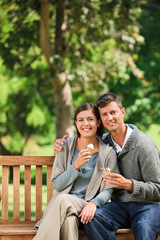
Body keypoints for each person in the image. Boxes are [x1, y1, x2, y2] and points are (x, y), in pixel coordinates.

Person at [54, 93, 160, 240]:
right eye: (104, 114)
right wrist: (62, 144)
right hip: (120, 206)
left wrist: (129, 185)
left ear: (122, 112)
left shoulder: (145, 146)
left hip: (148, 206)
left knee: (144, 228)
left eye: (113, 112)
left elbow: (158, 189)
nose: (109, 118)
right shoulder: (104, 143)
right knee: (92, 218)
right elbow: (82, 138)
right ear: (100, 119)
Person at [33, 103, 119, 240]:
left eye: (90, 119)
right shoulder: (64, 146)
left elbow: (109, 189)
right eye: (81, 120)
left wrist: (93, 203)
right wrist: (76, 166)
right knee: (68, 221)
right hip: (64, 208)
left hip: (86, 206)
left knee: (62, 200)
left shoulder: (108, 153)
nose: (86, 124)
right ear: (76, 123)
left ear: (98, 122)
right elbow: (58, 185)